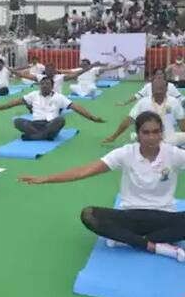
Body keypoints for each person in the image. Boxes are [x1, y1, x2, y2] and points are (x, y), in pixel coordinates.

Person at [19, 111, 185, 263]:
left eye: (156, 132)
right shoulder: (125, 153)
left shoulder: (173, 154)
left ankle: (127, 239)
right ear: (138, 134)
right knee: (89, 214)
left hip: (165, 217)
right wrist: (47, 178)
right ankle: (154, 246)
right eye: (146, 132)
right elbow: (84, 171)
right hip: (131, 216)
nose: (151, 137)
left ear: (161, 133)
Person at [0, 76, 105, 140]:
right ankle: (42, 136)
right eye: (42, 84)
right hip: (35, 124)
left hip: (50, 124)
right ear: (40, 85)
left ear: (52, 86)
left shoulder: (59, 97)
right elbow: (15, 102)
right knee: (17, 121)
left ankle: (36, 136)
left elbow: (76, 107)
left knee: (60, 120)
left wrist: (91, 117)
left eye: (47, 84)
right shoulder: (33, 95)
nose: (44, 86)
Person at [103, 77, 185, 146]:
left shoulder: (174, 102)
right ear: (152, 88)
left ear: (166, 88)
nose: (158, 89)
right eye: (156, 87)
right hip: (149, 137)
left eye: (161, 87)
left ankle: (137, 137)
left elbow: (182, 124)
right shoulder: (143, 102)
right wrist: (114, 136)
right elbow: (128, 120)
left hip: (168, 136)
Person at [117, 69, 182, 106]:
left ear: (164, 75)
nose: (159, 76)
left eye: (161, 74)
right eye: (157, 74)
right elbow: (137, 96)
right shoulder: (148, 86)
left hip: (167, 109)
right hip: (152, 109)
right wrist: (125, 103)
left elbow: (180, 98)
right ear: (154, 76)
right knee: (139, 101)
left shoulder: (171, 86)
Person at [12, 63, 87, 94]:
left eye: (50, 70)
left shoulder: (60, 77)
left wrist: (89, 68)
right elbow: (23, 75)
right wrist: (11, 70)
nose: (48, 71)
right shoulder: (41, 77)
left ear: (54, 71)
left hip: (56, 101)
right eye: (47, 70)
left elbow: (75, 74)